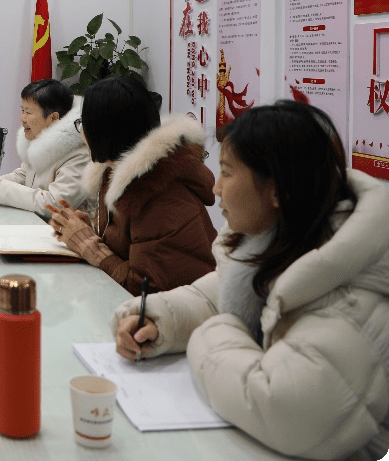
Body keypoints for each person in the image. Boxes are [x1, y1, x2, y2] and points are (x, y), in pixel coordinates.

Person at [112, 101, 389, 460]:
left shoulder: (355, 301)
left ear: (276, 190)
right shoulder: (278, 242)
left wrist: (209, 333)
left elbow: (282, 407)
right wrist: (157, 319)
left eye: (227, 173)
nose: (216, 188)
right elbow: (214, 297)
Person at [47, 76, 216, 294]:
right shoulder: (117, 173)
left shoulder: (159, 194)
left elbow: (147, 289)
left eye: (83, 123)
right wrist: (88, 233)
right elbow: (128, 250)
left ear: (102, 130)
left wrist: (90, 247)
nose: (82, 132)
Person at [0, 79, 91, 217]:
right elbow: (22, 175)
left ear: (53, 118)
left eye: (28, 112)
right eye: (22, 110)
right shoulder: (41, 141)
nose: (22, 118)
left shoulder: (79, 155)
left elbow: (56, 203)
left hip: (62, 229)